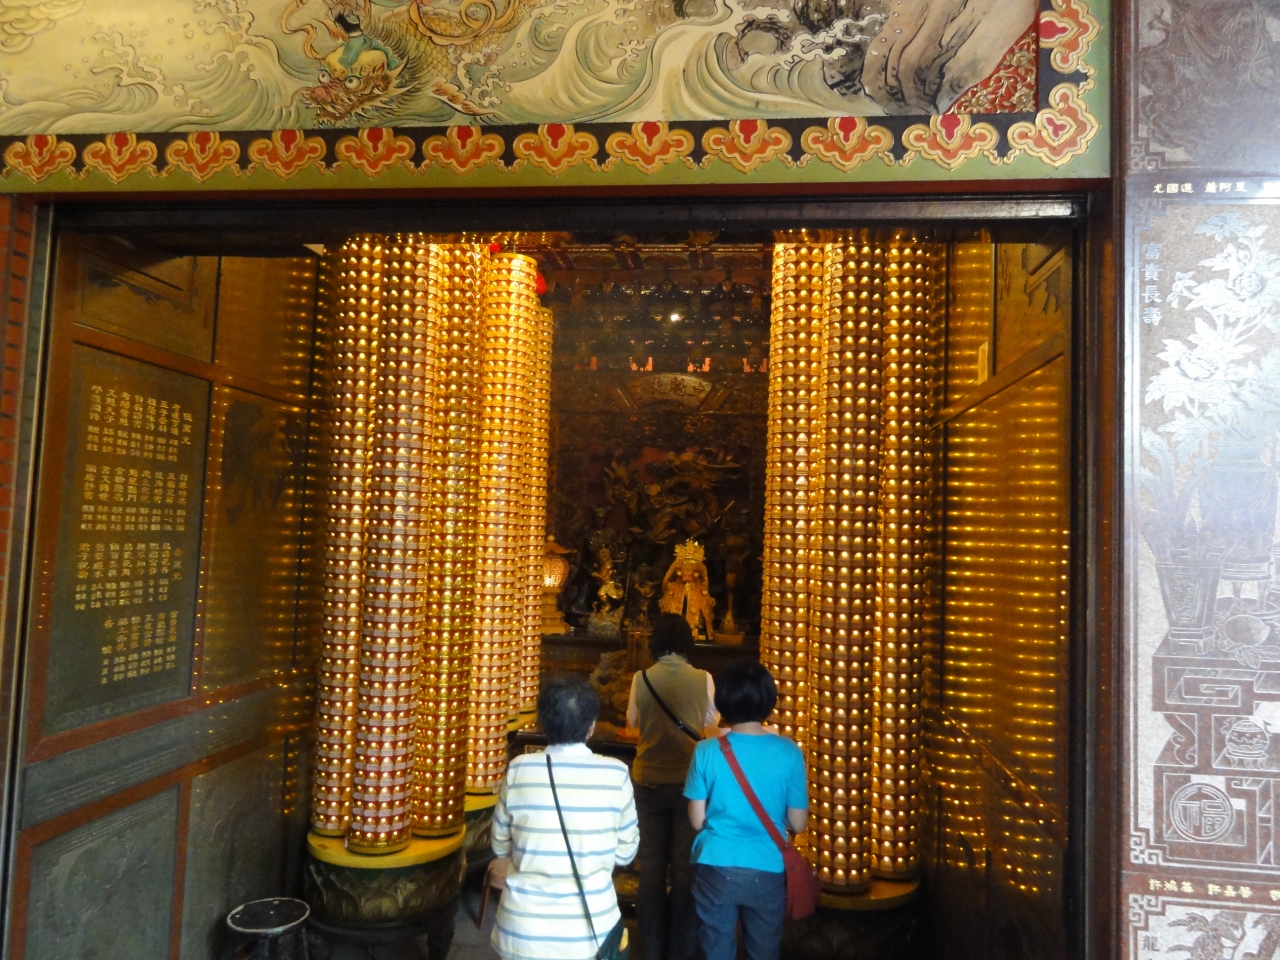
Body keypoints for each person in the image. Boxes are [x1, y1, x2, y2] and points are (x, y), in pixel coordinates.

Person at [490, 679, 640, 960]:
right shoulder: (616, 774)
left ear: (542, 723)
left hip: (523, 933)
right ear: (592, 726)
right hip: (590, 936)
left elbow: (500, 845)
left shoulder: (520, 769)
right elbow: (625, 853)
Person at [683, 659, 808, 960]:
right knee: (763, 951)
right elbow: (798, 823)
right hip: (767, 867)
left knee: (716, 950)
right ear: (769, 700)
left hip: (716, 864)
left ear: (723, 700)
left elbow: (697, 820)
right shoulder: (789, 752)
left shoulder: (705, 750)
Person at [625, 613, 719, 960]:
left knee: (650, 868)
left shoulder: (641, 678)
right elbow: (711, 721)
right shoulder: (703, 678)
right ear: (686, 643)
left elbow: (632, 721)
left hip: (648, 780)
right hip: (689, 784)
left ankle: (652, 949)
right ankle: (681, 950)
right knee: (684, 869)